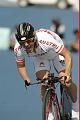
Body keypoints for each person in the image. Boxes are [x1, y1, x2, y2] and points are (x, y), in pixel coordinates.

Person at [14, 22, 78, 119]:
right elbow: (21, 66)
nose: (26, 45)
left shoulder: (46, 40)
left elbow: (68, 55)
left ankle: (76, 108)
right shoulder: (18, 48)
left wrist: (67, 74)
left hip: (56, 53)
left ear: (34, 37)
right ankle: (49, 114)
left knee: (66, 81)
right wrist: (26, 78)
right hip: (40, 57)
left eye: (29, 41)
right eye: (23, 43)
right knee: (44, 82)